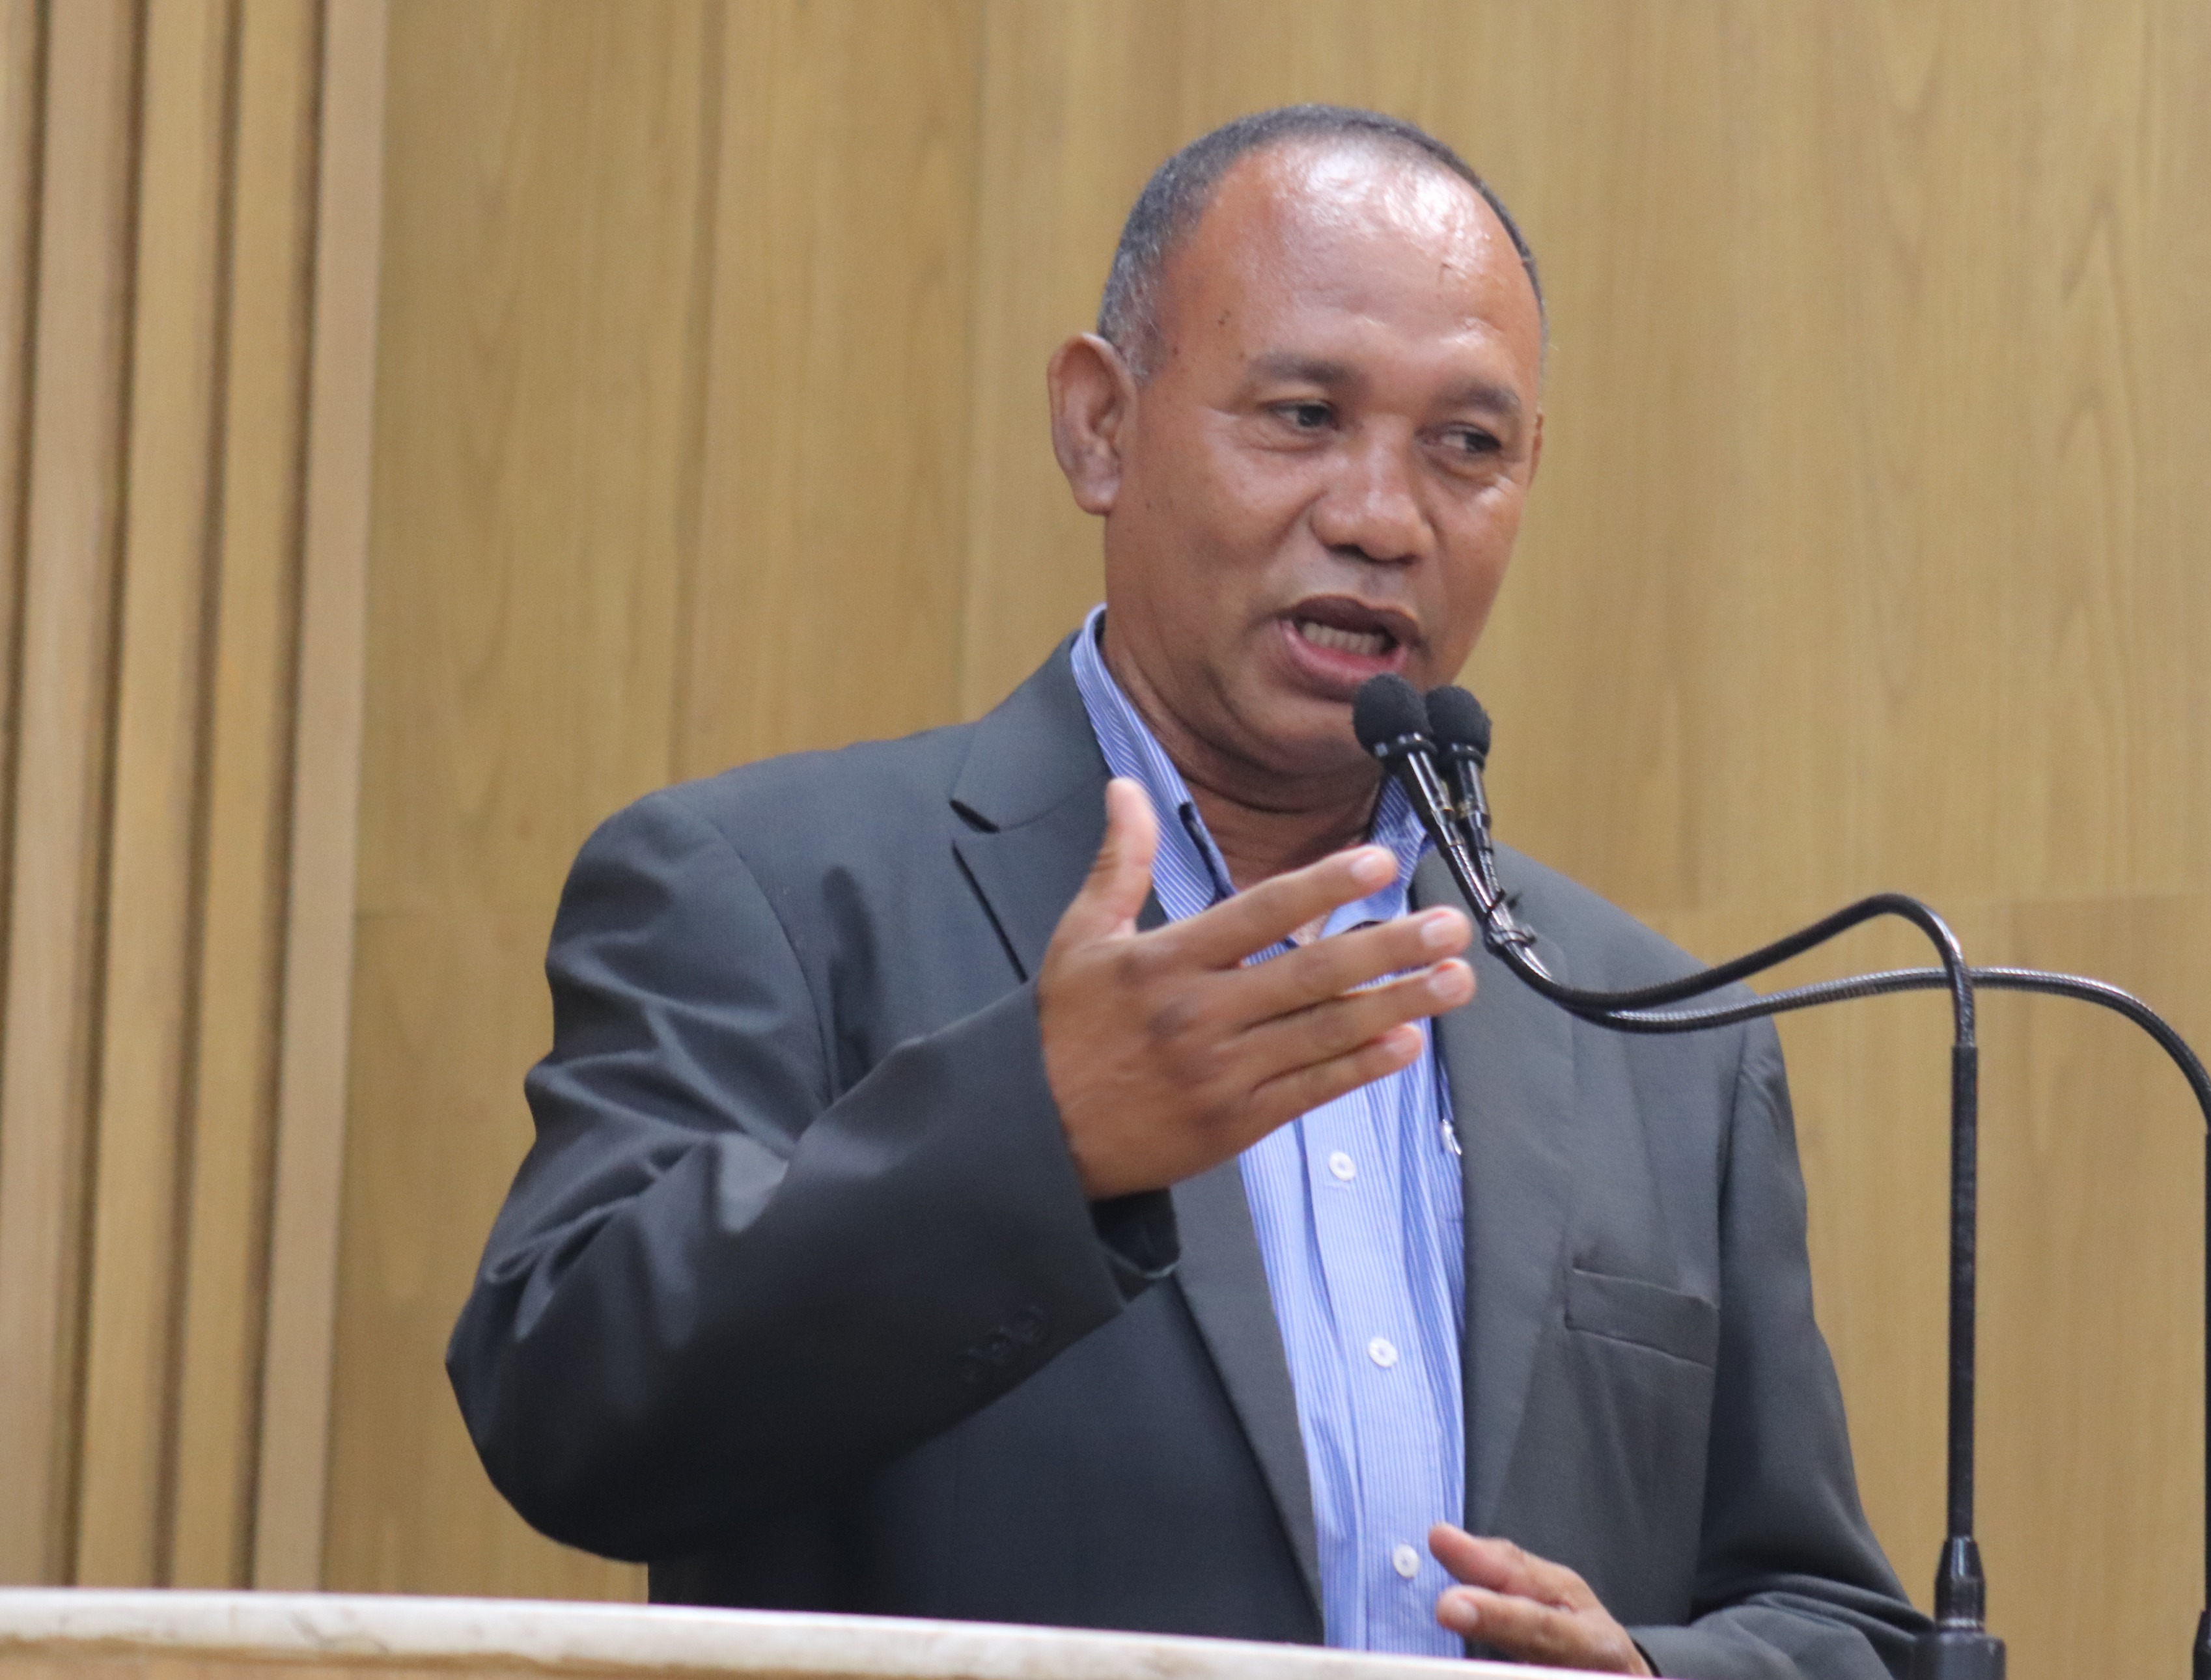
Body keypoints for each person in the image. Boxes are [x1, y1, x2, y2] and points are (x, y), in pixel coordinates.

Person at [450, 106, 1923, 1680]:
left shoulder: (1661, 1035)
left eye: (1467, 447)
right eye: (1303, 415)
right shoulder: (770, 891)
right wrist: (1040, 1136)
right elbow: (563, 1406)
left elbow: (1833, 1621)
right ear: (1100, 426)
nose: (1382, 516)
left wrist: (1655, 1673)